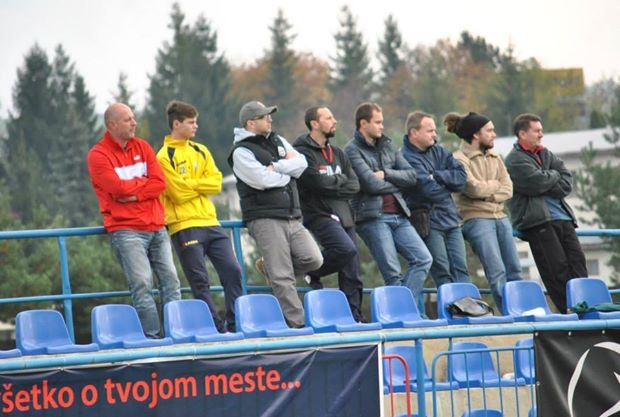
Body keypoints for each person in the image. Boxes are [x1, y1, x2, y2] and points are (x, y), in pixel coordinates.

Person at [87, 102, 181, 338]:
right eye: (128, 119)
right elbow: (117, 189)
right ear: (112, 124)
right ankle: (151, 339)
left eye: (133, 118)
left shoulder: (143, 146)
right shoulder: (98, 156)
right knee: (142, 285)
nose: (134, 123)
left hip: (157, 226)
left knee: (171, 281)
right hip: (126, 230)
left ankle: (176, 336)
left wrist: (134, 193)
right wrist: (143, 186)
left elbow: (160, 183)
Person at [228, 100, 323, 327]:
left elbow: (301, 164)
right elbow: (262, 180)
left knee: (314, 259)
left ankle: (269, 266)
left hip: (291, 215)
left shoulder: (277, 140)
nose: (270, 119)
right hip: (265, 217)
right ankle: (298, 324)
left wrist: (278, 167)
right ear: (250, 123)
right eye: (264, 117)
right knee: (282, 276)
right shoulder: (241, 151)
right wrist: (287, 174)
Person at [156, 100, 242, 333]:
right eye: (191, 122)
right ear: (176, 124)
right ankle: (215, 329)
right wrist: (199, 185)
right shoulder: (164, 156)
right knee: (200, 281)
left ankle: (235, 324)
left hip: (211, 222)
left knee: (233, 271)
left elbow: (215, 183)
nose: (196, 126)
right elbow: (177, 193)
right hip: (184, 225)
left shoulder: (200, 150)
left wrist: (190, 184)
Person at [344, 102, 432, 310]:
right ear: (363, 123)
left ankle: (404, 310)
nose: (382, 126)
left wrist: (386, 174)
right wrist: (396, 181)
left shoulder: (388, 145)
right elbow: (370, 184)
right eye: (377, 122)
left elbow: (412, 176)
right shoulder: (352, 150)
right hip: (373, 218)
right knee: (393, 274)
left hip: (400, 215)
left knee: (423, 259)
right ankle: (406, 314)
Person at [505, 113, 587, 312]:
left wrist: (547, 178)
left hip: (564, 218)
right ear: (522, 134)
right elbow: (535, 183)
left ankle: (584, 308)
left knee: (578, 263)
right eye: (537, 131)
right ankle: (568, 311)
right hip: (538, 222)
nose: (541, 134)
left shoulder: (546, 154)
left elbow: (567, 182)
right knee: (556, 269)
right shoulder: (514, 160)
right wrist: (553, 175)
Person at [293, 106, 365, 322]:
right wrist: (339, 181)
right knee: (345, 249)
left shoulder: (338, 153)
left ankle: (353, 316)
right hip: (318, 213)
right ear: (314, 124)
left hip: (344, 213)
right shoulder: (302, 152)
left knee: (352, 271)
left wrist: (332, 184)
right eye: (328, 118)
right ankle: (312, 270)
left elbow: (355, 185)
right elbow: (316, 183)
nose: (335, 121)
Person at [447, 111, 523, 311]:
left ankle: (521, 310)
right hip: (476, 219)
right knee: (496, 271)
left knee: (515, 269)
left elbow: (508, 189)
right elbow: (472, 189)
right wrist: (494, 187)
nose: (494, 134)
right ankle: (508, 314)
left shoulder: (495, 157)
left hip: (501, 217)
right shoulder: (458, 159)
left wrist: (487, 194)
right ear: (475, 134)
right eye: (489, 130)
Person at [401, 111, 470, 289]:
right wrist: (447, 182)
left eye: (435, 130)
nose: (435, 134)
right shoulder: (405, 158)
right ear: (414, 132)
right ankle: (450, 305)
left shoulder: (440, 151)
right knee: (442, 272)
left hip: (451, 219)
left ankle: (467, 304)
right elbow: (429, 191)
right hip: (429, 222)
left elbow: (462, 179)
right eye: (430, 131)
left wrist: (437, 175)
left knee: (461, 270)